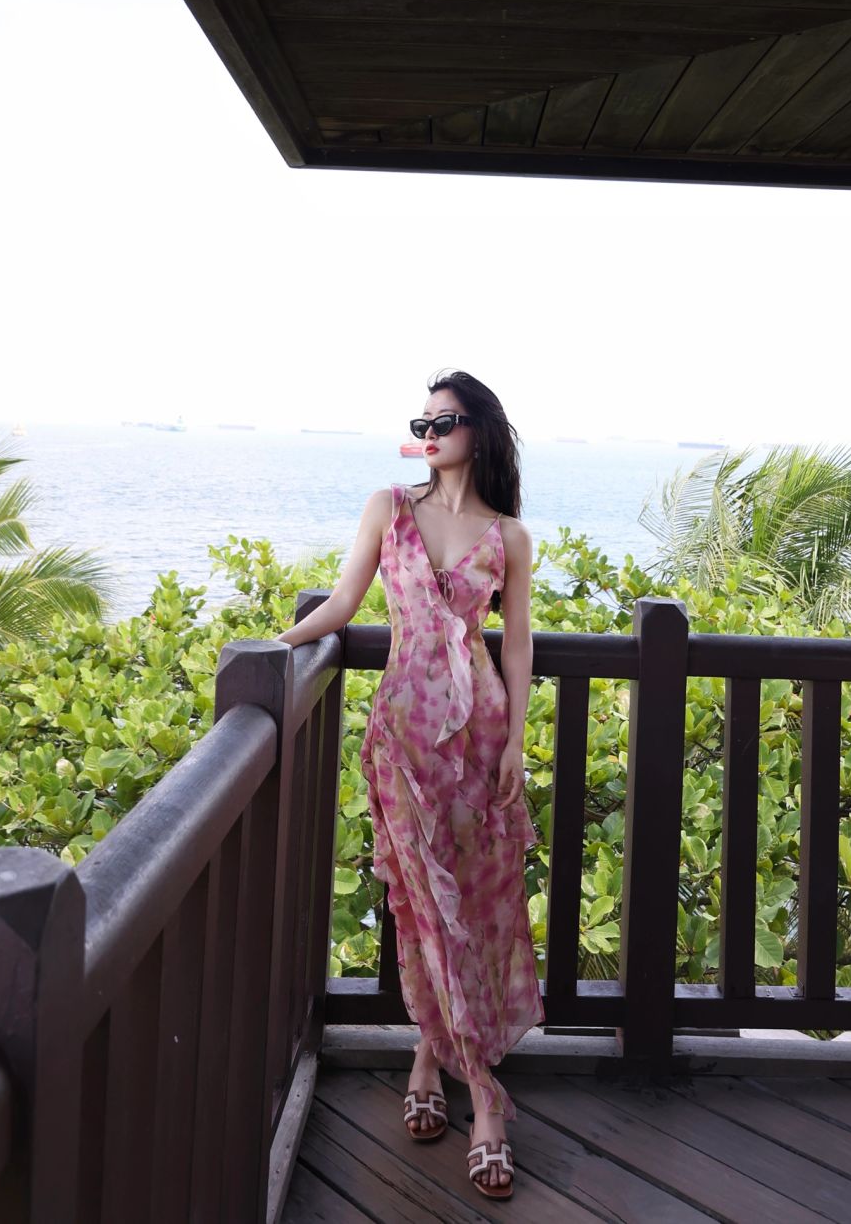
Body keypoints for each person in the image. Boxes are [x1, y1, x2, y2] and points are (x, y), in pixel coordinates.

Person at [275, 368, 543, 1199]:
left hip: (480, 733)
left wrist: (517, 747)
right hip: (404, 737)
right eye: (421, 421)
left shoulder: (509, 535)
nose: (429, 433)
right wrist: (271, 646)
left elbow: (519, 645)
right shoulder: (389, 506)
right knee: (423, 905)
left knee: (476, 901)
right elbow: (346, 603)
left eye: (445, 419)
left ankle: (431, 1060)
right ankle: (487, 1105)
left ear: (480, 429)